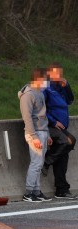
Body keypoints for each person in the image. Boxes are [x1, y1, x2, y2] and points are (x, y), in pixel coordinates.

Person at [42, 62, 77, 199]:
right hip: (50, 125)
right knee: (68, 142)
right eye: (56, 73)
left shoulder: (60, 87)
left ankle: (62, 189)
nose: (59, 76)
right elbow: (41, 108)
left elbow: (70, 101)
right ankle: (46, 161)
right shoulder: (46, 88)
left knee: (63, 156)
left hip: (62, 126)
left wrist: (66, 86)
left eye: (60, 74)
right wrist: (52, 120)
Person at [19, 68, 53, 202]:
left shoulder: (39, 93)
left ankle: (37, 191)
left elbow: (43, 117)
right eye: (45, 80)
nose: (46, 82)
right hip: (35, 133)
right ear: (38, 79)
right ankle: (29, 192)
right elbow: (27, 117)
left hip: (43, 131)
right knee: (36, 163)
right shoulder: (28, 95)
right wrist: (33, 136)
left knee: (39, 163)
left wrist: (48, 134)